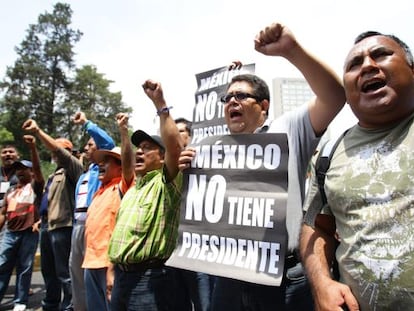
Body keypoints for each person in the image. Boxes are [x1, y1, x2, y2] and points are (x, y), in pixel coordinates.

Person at [178, 22, 345, 310]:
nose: (232, 101)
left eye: (241, 96)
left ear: (264, 106)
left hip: (284, 278)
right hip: (230, 276)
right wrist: (191, 173)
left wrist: (292, 51)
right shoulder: (211, 148)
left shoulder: (287, 130)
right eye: (227, 98)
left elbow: (335, 95)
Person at [299, 31, 414, 311]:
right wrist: (322, 284)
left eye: (381, 55)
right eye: (354, 64)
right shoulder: (330, 153)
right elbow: (315, 229)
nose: (367, 66)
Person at [107, 79, 184, 310]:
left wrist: (160, 103)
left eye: (147, 148)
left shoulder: (166, 183)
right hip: (121, 278)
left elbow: (175, 148)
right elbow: (127, 158)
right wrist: (112, 272)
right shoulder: (132, 187)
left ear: (162, 157)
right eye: (138, 148)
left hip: (150, 280)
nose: (140, 152)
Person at [22, 119, 84, 311]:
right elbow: (49, 199)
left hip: (64, 227)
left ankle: (69, 307)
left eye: (58, 148)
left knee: (65, 272)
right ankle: (50, 304)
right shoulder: (54, 174)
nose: (53, 151)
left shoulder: (73, 168)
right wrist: (41, 219)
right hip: (48, 226)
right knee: (49, 271)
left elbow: (59, 152)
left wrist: (39, 132)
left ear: (70, 152)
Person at [82, 112, 134, 311]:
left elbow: (129, 163)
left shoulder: (124, 185)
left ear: (121, 167)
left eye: (109, 161)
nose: (101, 164)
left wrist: (123, 131)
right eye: (101, 161)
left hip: (109, 264)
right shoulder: (98, 192)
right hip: (90, 263)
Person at [69, 111, 115, 311]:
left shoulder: (101, 171)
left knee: (98, 276)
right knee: (77, 273)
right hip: (78, 228)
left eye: (90, 144)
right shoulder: (85, 175)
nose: (86, 148)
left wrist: (86, 123)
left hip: (95, 229)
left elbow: (107, 143)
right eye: (85, 146)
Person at [0, 135, 44, 311]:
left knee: (24, 269)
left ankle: (20, 301)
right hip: (9, 233)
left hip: (28, 233)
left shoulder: (34, 186)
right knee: (2, 265)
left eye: (24, 169)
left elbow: (39, 170)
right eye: (18, 170)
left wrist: (33, 147)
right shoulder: (11, 190)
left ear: (31, 172)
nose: (20, 172)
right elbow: (3, 213)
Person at [174, 117, 213, 311]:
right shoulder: (169, 168)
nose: (175, 134)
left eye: (180, 131)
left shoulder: (208, 163)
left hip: (201, 252)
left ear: (190, 136)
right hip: (175, 251)